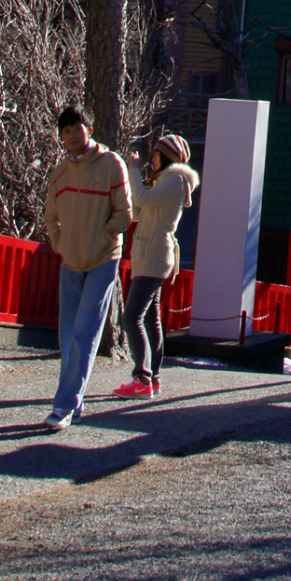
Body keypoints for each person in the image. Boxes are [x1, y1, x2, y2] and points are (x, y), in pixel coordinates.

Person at [41, 105, 134, 432]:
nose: (70, 135)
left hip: (102, 261)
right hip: (70, 261)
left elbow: (125, 212)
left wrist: (106, 234)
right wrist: (59, 242)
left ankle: (63, 406)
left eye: (76, 128)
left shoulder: (111, 164)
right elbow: (50, 216)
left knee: (84, 333)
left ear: (89, 129)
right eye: (65, 130)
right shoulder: (59, 173)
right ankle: (76, 403)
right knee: (67, 336)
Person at [115, 132, 199, 399]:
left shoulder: (174, 180)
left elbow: (142, 200)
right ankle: (153, 377)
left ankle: (142, 377)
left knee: (131, 317)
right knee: (151, 319)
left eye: (157, 154)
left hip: (154, 254)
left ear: (169, 157)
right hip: (149, 252)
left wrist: (133, 169)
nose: (152, 158)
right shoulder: (165, 181)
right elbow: (139, 210)